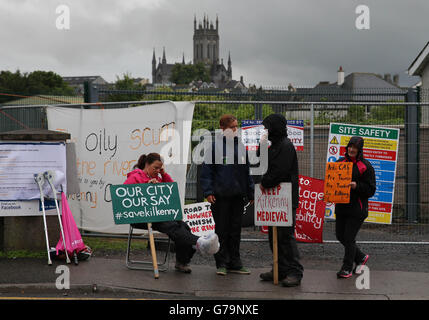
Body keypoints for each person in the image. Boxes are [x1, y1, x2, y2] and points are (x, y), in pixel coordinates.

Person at [124, 152, 219, 273]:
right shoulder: (134, 177)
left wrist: (163, 175)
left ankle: (182, 261)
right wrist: (145, 187)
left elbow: (171, 189)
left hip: (158, 215)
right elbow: (125, 198)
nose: (158, 170)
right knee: (172, 226)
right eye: (155, 168)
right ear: (147, 164)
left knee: (183, 226)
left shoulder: (158, 177)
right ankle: (199, 242)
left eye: (160, 168)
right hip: (141, 217)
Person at [200, 114, 255, 276]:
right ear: (223, 129)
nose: (235, 130)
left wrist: (251, 192)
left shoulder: (241, 146)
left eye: (236, 127)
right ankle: (222, 263)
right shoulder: (214, 147)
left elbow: (247, 172)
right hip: (220, 196)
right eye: (232, 127)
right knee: (222, 230)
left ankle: (235, 263)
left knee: (235, 230)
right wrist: (208, 192)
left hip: (238, 196)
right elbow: (207, 172)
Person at [258, 113, 304, 287]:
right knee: (273, 235)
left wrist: (265, 183)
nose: (265, 131)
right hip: (275, 199)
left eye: (267, 128)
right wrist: (262, 145)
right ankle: (280, 268)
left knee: (285, 236)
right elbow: (260, 162)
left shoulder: (285, 146)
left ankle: (294, 271)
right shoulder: (275, 145)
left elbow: (279, 171)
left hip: (285, 199)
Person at [335, 136, 376, 278]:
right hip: (341, 207)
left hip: (357, 209)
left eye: (355, 148)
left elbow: (371, 189)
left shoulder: (366, 166)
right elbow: (333, 183)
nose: (351, 150)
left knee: (349, 238)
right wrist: (328, 194)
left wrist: (356, 185)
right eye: (350, 147)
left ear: (360, 150)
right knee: (340, 236)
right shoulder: (339, 163)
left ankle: (347, 268)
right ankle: (361, 257)